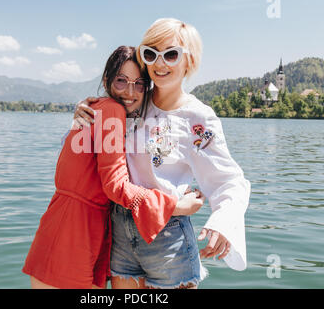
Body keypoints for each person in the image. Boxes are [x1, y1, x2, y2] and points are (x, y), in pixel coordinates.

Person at [74, 18, 251, 289]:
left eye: (170, 54)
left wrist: (225, 221)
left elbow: (228, 178)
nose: (160, 63)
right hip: (121, 231)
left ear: (188, 62)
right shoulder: (134, 101)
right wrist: (84, 109)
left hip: (168, 240)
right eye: (151, 54)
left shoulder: (197, 117)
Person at [22, 45, 204, 289]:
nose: (130, 91)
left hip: (71, 229)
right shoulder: (111, 110)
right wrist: (175, 207)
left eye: (139, 83)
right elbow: (116, 186)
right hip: (73, 236)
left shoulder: (101, 110)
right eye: (121, 81)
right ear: (107, 81)